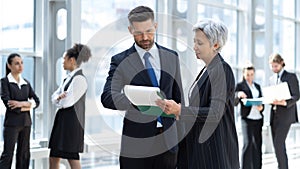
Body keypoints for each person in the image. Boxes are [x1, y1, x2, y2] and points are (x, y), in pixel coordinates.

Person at [101, 6, 183, 169]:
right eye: (138, 32)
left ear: (156, 26)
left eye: (149, 31)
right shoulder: (120, 60)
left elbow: (178, 99)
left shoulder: (171, 57)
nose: (145, 37)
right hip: (136, 145)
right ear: (130, 30)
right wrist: (138, 101)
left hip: (168, 144)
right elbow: (107, 97)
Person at [156, 19, 239, 169]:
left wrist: (180, 110)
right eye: (194, 42)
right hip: (201, 150)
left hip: (214, 152)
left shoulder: (222, 70)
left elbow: (215, 113)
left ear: (215, 45)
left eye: (200, 43)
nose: (194, 47)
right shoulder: (207, 70)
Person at [48, 43, 92, 169]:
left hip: (71, 124)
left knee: (72, 158)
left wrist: (59, 100)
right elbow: (54, 97)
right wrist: (58, 98)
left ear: (72, 60)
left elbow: (67, 103)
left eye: (64, 59)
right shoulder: (68, 78)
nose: (62, 62)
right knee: (54, 157)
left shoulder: (79, 79)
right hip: (62, 122)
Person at [0, 53, 40, 169]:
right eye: (17, 63)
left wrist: (21, 103)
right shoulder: (4, 82)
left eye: (21, 63)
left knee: (24, 154)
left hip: (26, 123)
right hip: (12, 124)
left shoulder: (26, 83)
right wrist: (28, 105)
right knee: (8, 154)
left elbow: (37, 102)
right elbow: (10, 105)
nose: (20, 66)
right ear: (9, 65)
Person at [268, 53, 299, 169]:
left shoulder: (291, 77)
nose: (274, 69)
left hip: (286, 116)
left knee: (278, 143)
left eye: (275, 66)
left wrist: (284, 102)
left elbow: (296, 95)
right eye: (272, 66)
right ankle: (282, 167)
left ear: (281, 63)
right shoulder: (272, 79)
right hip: (274, 115)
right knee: (278, 146)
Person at [235, 65, 264, 169]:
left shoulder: (257, 86)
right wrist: (238, 94)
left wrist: (261, 107)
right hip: (246, 119)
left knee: (257, 145)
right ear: (243, 74)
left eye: (251, 74)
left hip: (258, 118)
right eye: (247, 74)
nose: (249, 77)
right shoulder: (240, 86)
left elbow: (262, 101)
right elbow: (233, 101)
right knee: (247, 144)